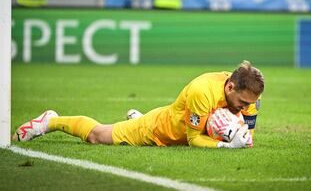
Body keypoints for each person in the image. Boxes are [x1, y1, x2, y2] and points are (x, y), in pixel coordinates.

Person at [13, 60, 264, 148]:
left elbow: (247, 136)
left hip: (175, 123)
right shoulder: (203, 90)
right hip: (158, 130)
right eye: (241, 104)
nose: (244, 109)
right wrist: (226, 147)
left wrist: (242, 138)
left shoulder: (250, 95)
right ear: (230, 86)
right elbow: (194, 139)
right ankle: (51, 121)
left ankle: (137, 116)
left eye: (249, 105)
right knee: (98, 136)